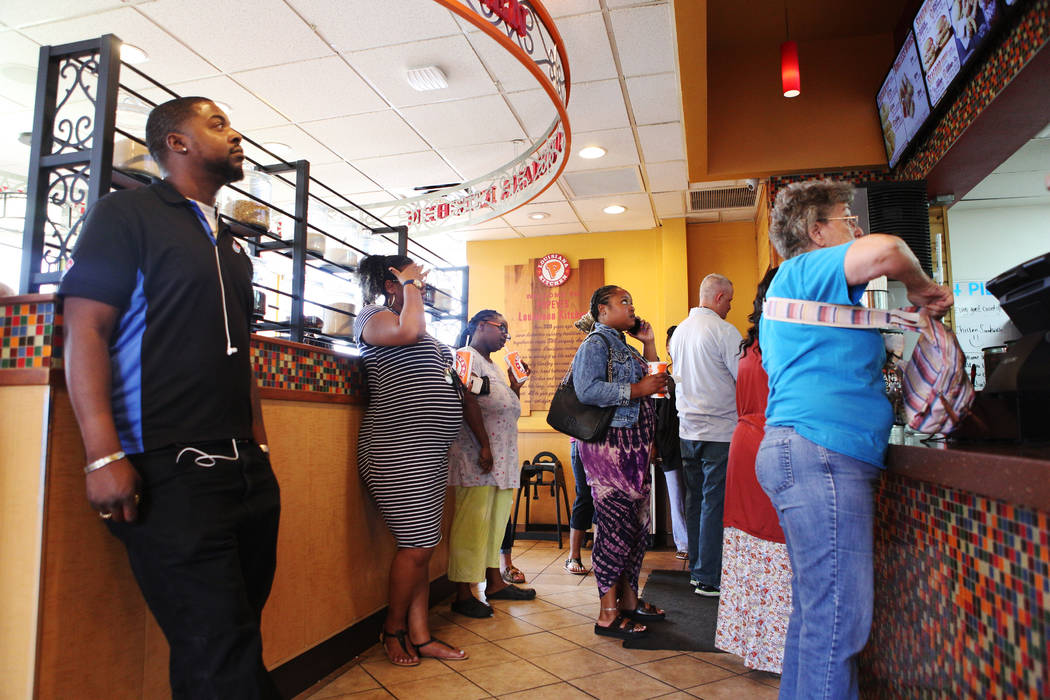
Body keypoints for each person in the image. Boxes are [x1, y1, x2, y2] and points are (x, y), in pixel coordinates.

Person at [60, 96, 281, 698]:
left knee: (233, 641)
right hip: (168, 470)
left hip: (245, 472)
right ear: (176, 143)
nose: (236, 136)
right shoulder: (125, 214)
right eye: (218, 124)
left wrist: (259, 448)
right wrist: (103, 456)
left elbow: (244, 353)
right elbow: (86, 329)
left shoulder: (233, 245)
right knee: (219, 654)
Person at [757, 180, 953, 698]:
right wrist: (920, 286)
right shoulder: (805, 270)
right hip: (822, 452)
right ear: (816, 231)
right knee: (839, 621)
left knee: (818, 616)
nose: (858, 228)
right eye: (847, 219)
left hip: (805, 449)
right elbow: (888, 250)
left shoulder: (803, 288)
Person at [355, 254, 484, 665]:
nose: (421, 285)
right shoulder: (372, 316)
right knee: (417, 545)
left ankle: (422, 635)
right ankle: (393, 629)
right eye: (412, 278)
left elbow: (452, 381)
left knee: (422, 546)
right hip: (396, 450)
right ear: (391, 282)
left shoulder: (420, 331)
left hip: (428, 455)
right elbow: (409, 329)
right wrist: (410, 288)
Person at [573, 285, 668, 639]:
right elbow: (587, 390)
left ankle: (629, 601)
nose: (632, 306)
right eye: (623, 301)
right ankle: (607, 614)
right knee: (614, 531)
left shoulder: (623, 346)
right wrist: (636, 390)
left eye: (632, 300)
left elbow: (654, 387)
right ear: (601, 310)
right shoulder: (595, 345)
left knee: (635, 529)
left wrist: (649, 344)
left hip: (636, 449)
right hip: (610, 450)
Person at [715, 267, 792, 674]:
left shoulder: (757, 339)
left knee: (754, 546)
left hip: (745, 444)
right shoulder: (786, 340)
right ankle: (776, 650)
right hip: (771, 444)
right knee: (774, 543)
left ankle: (756, 643)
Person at [448, 309, 536, 617]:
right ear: (481, 325)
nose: (505, 336)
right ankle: (462, 593)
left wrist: (515, 386)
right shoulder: (465, 356)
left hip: (500, 459)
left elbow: (502, 405)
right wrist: (485, 445)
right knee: (471, 525)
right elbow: (467, 399)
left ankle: (494, 583)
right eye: (502, 328)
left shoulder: (494, 366)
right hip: (477, 458)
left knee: (495, 525)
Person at [669, 273, 742, 596]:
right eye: (729, 300)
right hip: (719, 431)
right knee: (714, 502)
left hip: (688, 430)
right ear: (718, 297)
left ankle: (698, 569)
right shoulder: (724, 331)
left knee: (695, 500)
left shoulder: (680, 332)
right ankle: (710, 577)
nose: (730, 306)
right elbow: (745, 377)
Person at [564, 311, 597, 575]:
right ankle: (573, 556)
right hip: (583, 439)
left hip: (605, 439)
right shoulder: (583, 358)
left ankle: (601, 554)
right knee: (585, 496)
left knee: (604, 499)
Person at [655, 325, 688, 559]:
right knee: (676, 496)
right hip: (669, 443)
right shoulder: (662, 375)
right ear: (668, 347)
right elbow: (657, 413)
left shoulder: (694, 371)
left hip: (692, 439)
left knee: (696, 494)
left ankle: (699, 542)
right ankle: (683, 545)